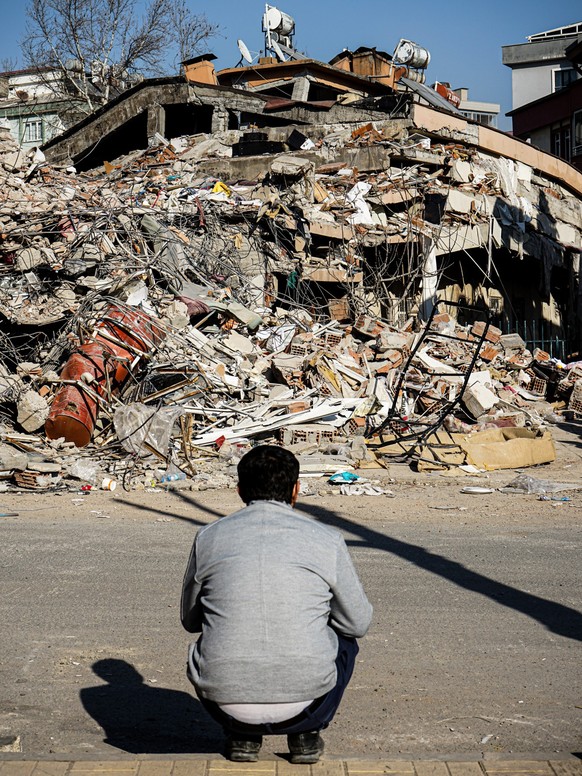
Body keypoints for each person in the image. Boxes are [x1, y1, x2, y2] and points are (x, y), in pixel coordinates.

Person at [181, 444, 372, 763]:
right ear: (296, 490)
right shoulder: (326, 538)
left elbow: (190, 620)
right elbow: (357, 623)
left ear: (240, 490)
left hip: (225, 705)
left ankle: (243, 736)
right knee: (344, 640)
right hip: (308, 705)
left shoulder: (209, 537)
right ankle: (306, 734)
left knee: (216, 633)